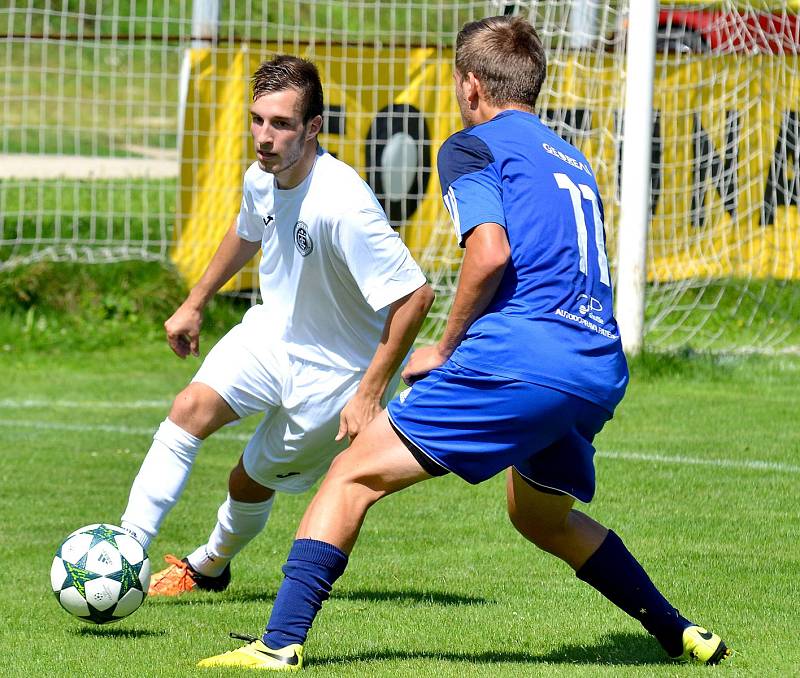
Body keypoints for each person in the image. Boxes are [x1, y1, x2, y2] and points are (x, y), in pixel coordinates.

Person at [197, 16, 731, 671]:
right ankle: (681, 633)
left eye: (457, 81)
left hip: (522, 358)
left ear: (471, 85)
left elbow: (490, 251)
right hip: (596, 363)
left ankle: (277, 645)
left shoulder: (473, 145)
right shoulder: (570, 155)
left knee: (351, 474)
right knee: (541, 518)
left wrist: (446, 349)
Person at [119, 54, 434, 596]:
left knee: (246, 479)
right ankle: (124, 550)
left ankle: (209, 565)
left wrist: (369, 392)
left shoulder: (343, 202)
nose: (265, 137)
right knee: (187, 409)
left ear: (314, 127)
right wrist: (196, 301)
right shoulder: (260, 176)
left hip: (335, 373)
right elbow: (246, 231)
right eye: (258, 120)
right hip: (270, 334)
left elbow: (416, 295)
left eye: (282, 124)